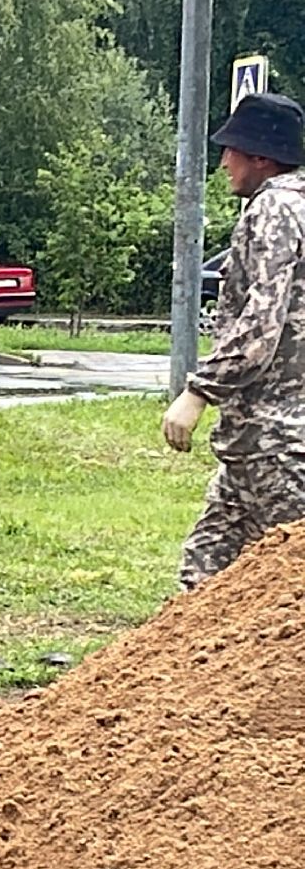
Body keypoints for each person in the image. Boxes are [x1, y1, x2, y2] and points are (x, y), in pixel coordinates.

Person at [163, 92, 305, 588]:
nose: (224, 162)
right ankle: (173, 668)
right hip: (255, 443)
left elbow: (259, 327)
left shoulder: (274, 211)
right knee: (202, 577)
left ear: (261, 158)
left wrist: (198, 392)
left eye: (233, 151)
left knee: (287, 588)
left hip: (277, 444)